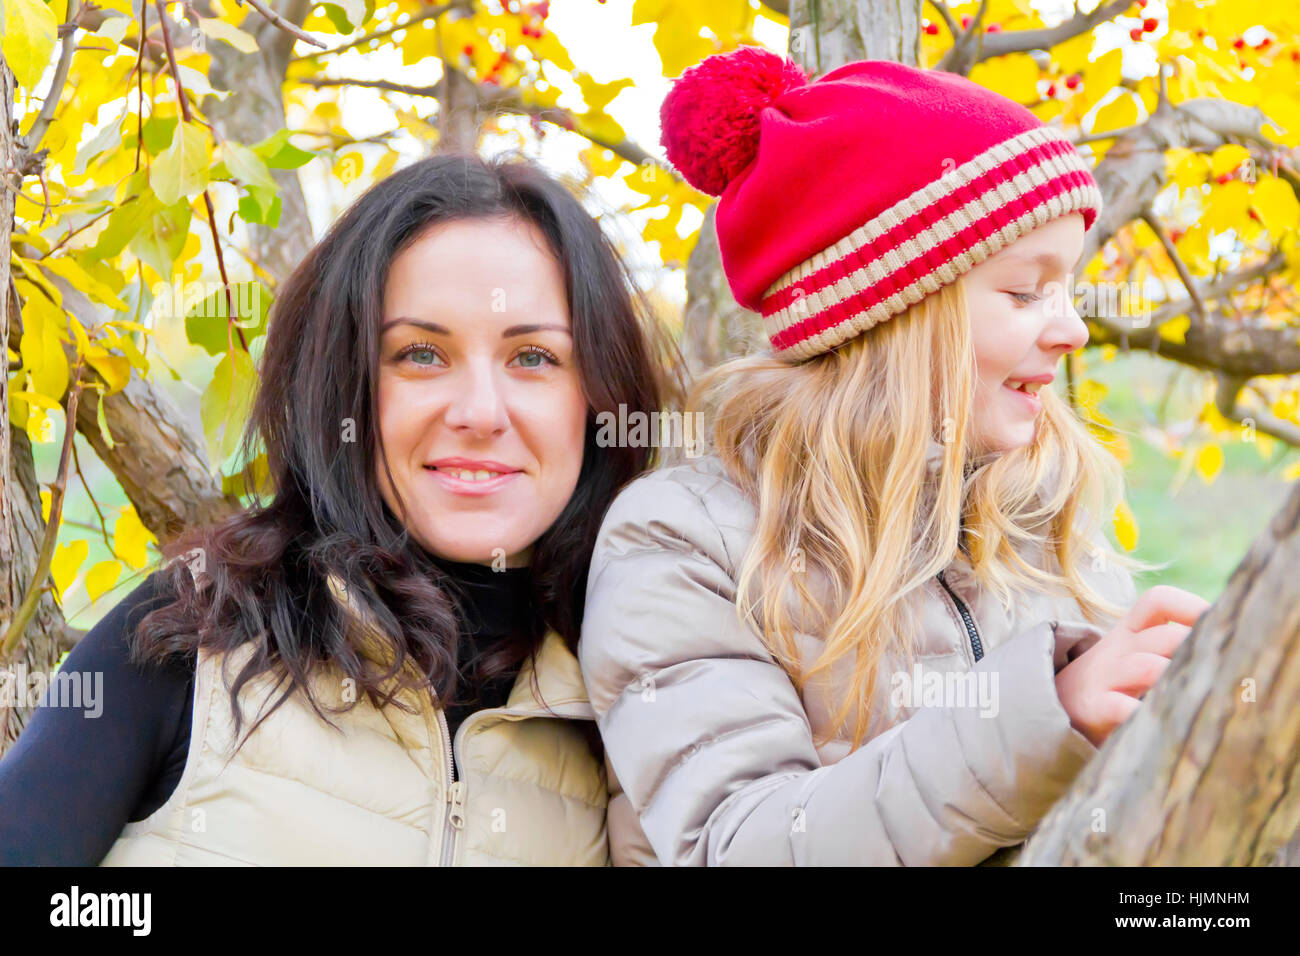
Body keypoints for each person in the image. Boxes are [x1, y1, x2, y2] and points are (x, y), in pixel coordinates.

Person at [579, 47, 1211, 866]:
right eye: (1025, 291)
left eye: (1070, 291)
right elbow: (739, 845)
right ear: (888, 313)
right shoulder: (688, 543)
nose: (1073, 330)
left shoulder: (1042, 525)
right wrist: (1045, 712)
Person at [0, 152, 673, 866]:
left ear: (601, 398)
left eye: (534, 357)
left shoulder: (640, 708)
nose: (480, 412)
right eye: (420, 353)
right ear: (343, 383)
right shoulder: (186, 636)